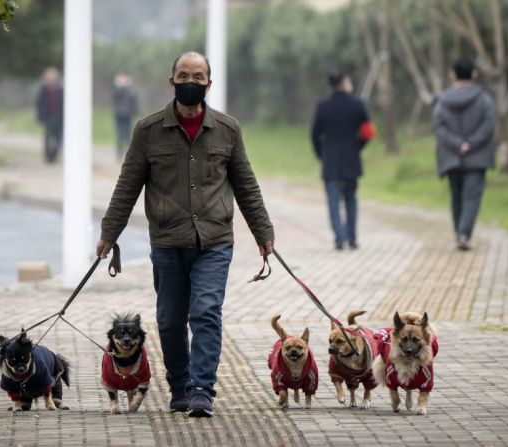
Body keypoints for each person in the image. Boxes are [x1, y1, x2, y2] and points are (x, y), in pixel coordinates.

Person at [96, 52, 274, 418]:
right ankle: (179, 386)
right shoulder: (147, 130)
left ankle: (201, 389)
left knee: (206, 312)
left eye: (197, 75)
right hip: (167, 241)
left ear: (209, 83)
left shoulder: (228, 129)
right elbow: (127, 185)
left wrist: (263, 232)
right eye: (183, 75)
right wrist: (109, 233)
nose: (189, 81)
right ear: (171, 81)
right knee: (170, 320)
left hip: (215, 240)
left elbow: (246, 185)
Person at [432, 58, 495, 251]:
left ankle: (459, 232)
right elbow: (488, 124)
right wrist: (471, 143)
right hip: (477, 156)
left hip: (451, 156)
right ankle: (464, 233)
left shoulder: (442, 101)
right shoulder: (484, 99)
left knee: (456, 196)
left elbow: (439, 127)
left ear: (452, 75)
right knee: (471, 197)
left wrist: (457, 144)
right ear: (474, 74)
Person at [311, 72, 375, 250]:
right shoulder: (357, 105)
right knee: (351, 199)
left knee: (333, 201)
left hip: (330, 160)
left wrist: (321, 154)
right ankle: (352, 237)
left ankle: (339, 237)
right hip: (351, 160)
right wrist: (357, 146)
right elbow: (368, 132)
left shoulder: (323, 106)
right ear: (344, 83)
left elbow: (315, 135)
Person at [36, 67, 64, 163]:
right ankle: (48, 156)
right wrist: (39, 118)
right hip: (48, 117)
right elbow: (39, 104)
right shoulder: (43, 90)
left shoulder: (61, 90)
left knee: (57, 137)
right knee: (48, 137)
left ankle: (54, 155)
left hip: (59, 117)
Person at [112, 71, 139, 161]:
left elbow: (134, 100)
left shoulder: (131, 89)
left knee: (128, 134)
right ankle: (119, 154)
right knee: (120, 134)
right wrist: (121, 86)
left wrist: (136, 112)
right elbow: (115, 97)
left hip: (128, 114)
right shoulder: (118, 89)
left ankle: (128, 154)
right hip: (119, 114)